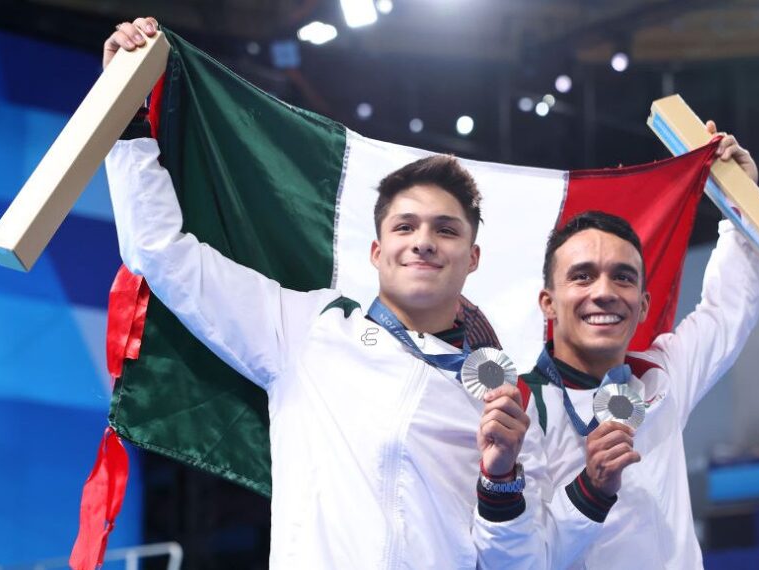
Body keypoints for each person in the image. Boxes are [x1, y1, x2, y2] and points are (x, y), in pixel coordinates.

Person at [104, 17, 608, 569]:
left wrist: (501, 478)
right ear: (376, 252)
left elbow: (524, 564)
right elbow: (162, 253)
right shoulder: (307, 330)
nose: (423, 243)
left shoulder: (502, 402)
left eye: (446, 230)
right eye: (405, 227)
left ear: (473, 259)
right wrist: (125, 118)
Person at [523, 131, 759, 568]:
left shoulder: (659, 376)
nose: (604, 292)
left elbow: (728, 309)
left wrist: (740, 201)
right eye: (582, 276)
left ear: (643, 304)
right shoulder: (518, 406)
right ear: (548, 304)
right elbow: (517, 558)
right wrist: (590, 490)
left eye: (623, 277)